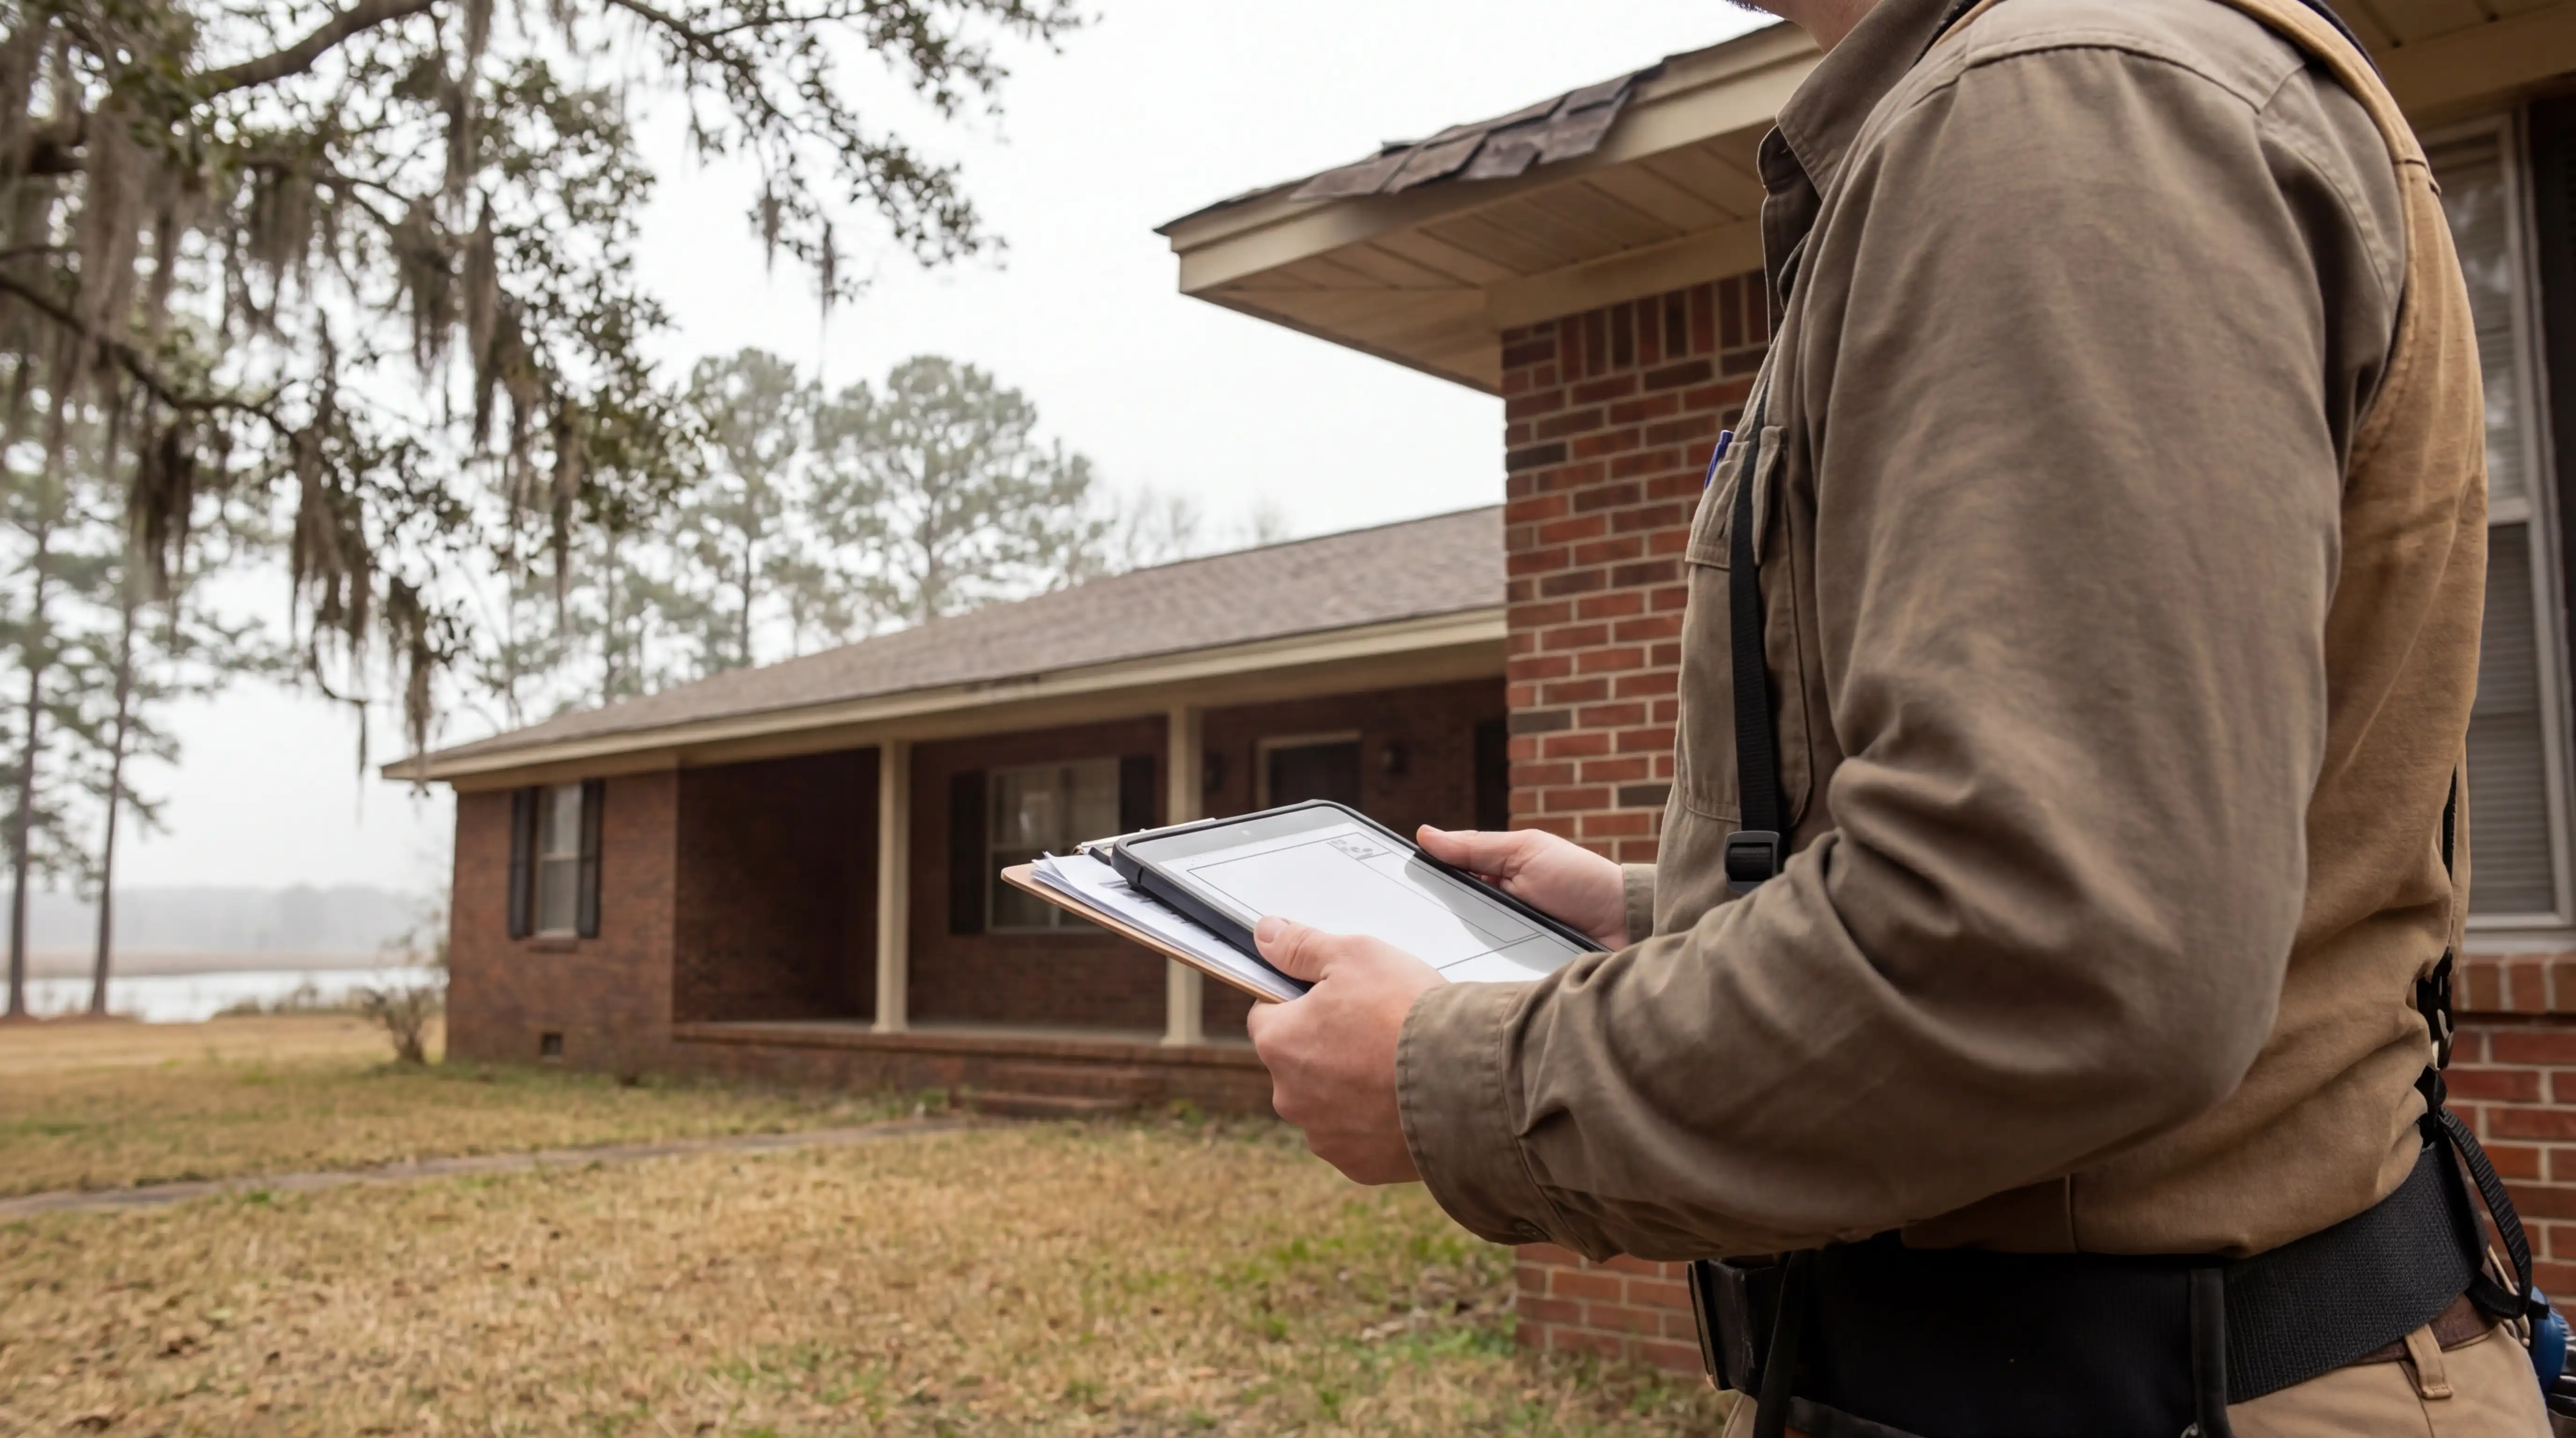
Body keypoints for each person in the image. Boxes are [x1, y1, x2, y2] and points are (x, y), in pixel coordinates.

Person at [1239, 0, 2554, 1433]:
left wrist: (1454, 1086)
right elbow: (2116, 862)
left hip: (2150, 1385)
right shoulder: (2078, 89)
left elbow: (2051, 941)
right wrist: (1657, 912)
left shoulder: (2062, 101)